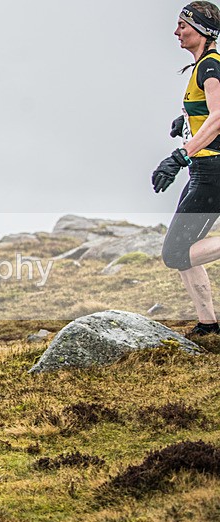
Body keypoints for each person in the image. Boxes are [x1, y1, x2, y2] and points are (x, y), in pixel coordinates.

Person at [153, 2, 220, 336]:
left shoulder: (211, 66)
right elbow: (208, 112)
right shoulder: (201, 67)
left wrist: (180, 155)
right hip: (204, 169)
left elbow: (219, 118)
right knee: (183, 250)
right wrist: (187, 123)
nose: (177, 31)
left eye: (183, 25)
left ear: (203, 30)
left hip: (212, 171)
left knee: (175, 252)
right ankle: (208, 324)